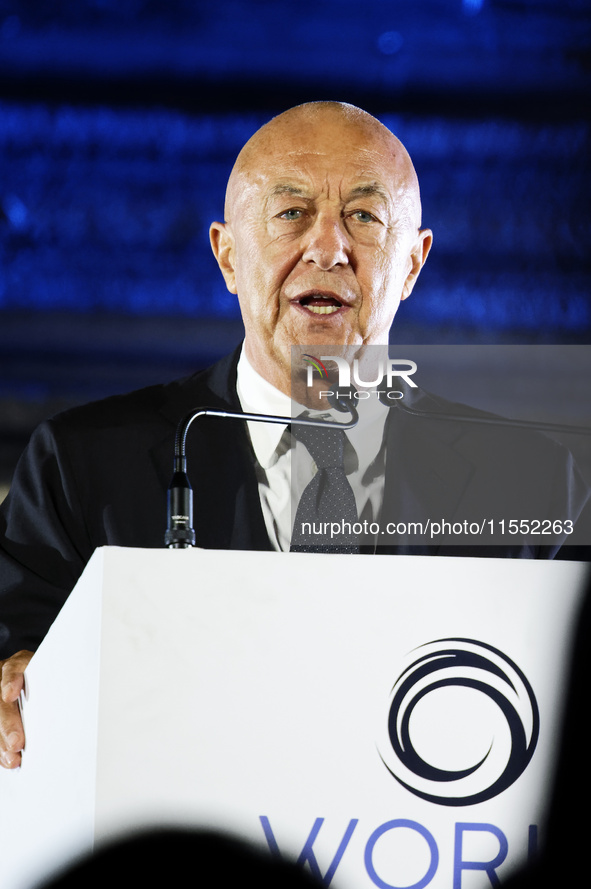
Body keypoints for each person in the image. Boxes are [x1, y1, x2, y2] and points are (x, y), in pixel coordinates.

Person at [0, 101, 588, 770]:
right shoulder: (81, 464)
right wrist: (16, 676)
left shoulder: (533, 481)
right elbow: (14, 644)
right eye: (290, 213)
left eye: (364, 216)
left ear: (413, 265)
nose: (328, 247)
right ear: (226, 254)